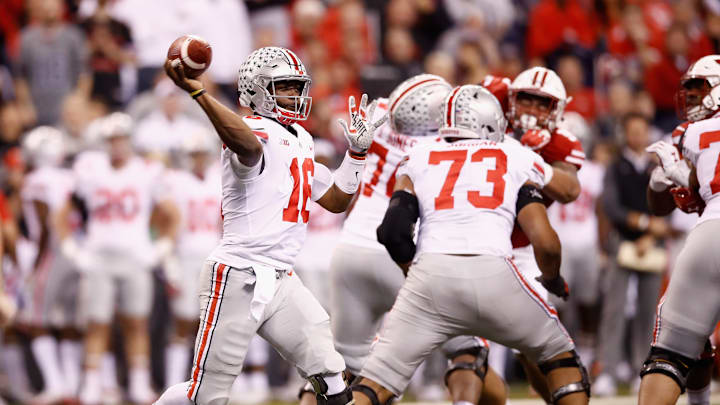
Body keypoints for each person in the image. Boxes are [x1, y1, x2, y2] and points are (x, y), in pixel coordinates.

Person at [155, 46, 386, 405]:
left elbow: (337, 201)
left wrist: (356, 155)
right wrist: (200, 93)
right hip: (238, 274)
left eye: (297, 86)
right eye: (284, 86)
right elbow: (248, 147)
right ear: (255, 91)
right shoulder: (250, 129)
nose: (295, 94)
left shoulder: (303, 140)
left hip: (281, 278)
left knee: (332, 377)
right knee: (206, 396)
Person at [353, 84, 589, 405]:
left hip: (430, 275)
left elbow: (392, 231)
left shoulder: (418, 156)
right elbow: (545, 242)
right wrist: (552, 279)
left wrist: (419, 278)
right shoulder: (514, 153)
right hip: (495, 273)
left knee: (373, 385)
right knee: (561, 361)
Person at [324, 74, 507, 405]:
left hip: (350, 250)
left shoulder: (377, 114)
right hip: (403, 255)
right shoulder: (444, 144)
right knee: (468, 349)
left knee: (344, 374)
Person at [482, 66, 585, 401]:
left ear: (557, 110)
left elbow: (569, 189)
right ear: (512, 98)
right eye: (526, 99)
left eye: (543, 104)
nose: (532, 110)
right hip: (477, 241)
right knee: (478, 348)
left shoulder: (559, 143)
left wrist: (530, 157)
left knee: (536, 346)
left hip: (523, 250)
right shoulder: (488, 106)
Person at [58, 112, 176, 405]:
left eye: (121, 139)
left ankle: (138, 383)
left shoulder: (147, 171)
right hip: (99, 257)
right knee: (97, 322)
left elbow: (172, 215)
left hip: (135, 256)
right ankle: (92, 385)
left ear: (130, 140)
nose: (117, 145)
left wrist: (161, 247)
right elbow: (63, 213)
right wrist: (71, 248)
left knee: (136, 322)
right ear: (105, 142)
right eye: (112, 139)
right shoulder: (91, 170)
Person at [637, 54, 720, 405]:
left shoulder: (690, 134)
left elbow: (663, 204)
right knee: (695, 340)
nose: (690, 98)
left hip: (714, 230)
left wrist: (666, 177)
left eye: (699, 89)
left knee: (670, 350)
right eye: (688, 90)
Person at [593, 112, 670, 396]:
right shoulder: (616, 166)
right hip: (622, 243)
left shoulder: (656, 167)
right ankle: (608, 371)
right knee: (613, 309)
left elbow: (668, 204)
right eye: (633, 131)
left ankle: (644, 369)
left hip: (652, 244)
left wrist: (650, 233)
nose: (638, 136)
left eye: (642, 130)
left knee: (649, 312)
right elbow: (611, 207)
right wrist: (643, 224)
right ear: (625, 134)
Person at [20, 127, 82, 403]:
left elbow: (45, 226)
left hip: (51, 253)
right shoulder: (72, 176)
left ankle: (57, 385)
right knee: (70, 321)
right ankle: (70, 386)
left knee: (38, 321)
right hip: (78, 252)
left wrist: (35, 264)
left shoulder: (35, 180)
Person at [156, 129, 221, 388]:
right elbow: (162, 221)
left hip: (215, 254)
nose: (198, 159)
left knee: (214, 324)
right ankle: (174, 382)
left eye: (201, 154)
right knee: (182, 320)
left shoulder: (219, 177)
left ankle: (209, 382)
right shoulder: (173, 181)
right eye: (193, 154)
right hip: (184, 255)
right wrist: (167, 258)